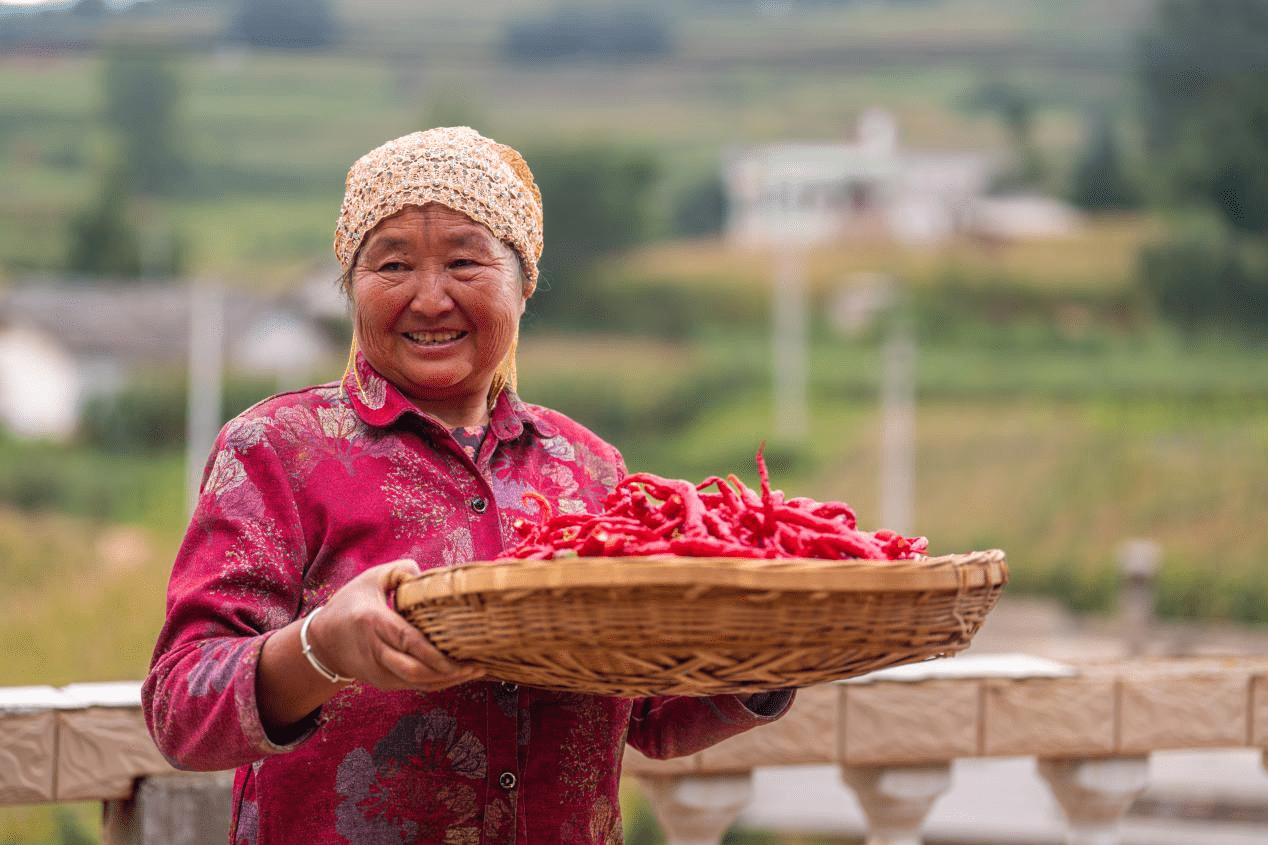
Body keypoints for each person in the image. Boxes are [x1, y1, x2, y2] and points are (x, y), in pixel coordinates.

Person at [142, 126, 793, 845]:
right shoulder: (277, 449)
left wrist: (771, 653)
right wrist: (321, 647)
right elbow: (180, 708)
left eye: (464, 261)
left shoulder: (589, 468)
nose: (429, 299)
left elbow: (647, 709)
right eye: (393, 264)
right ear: (352, 287)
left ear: (523, 284)